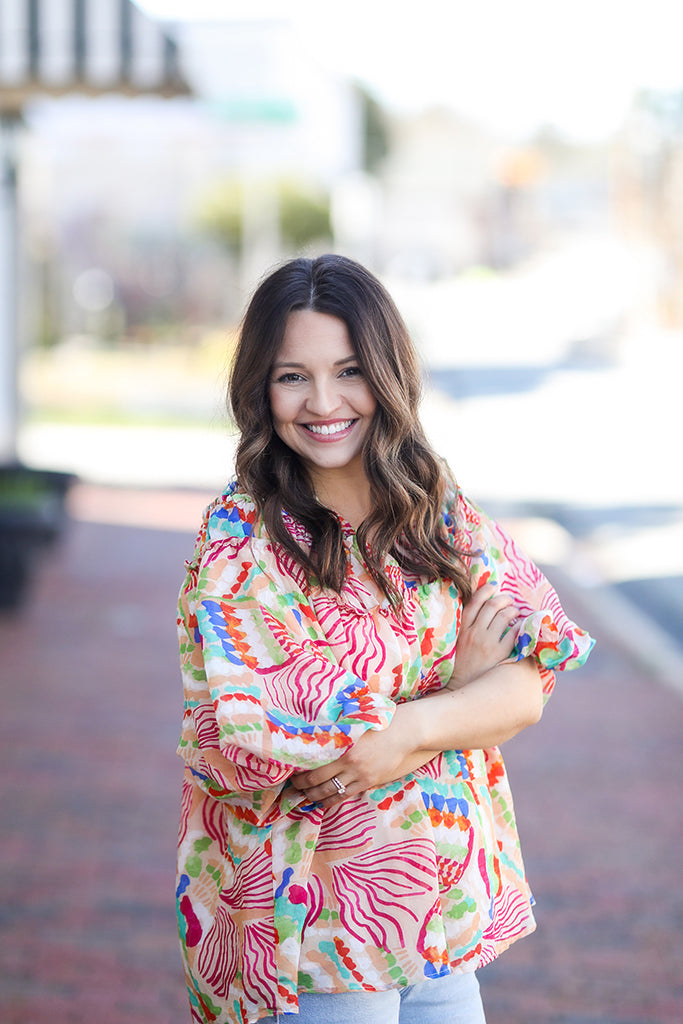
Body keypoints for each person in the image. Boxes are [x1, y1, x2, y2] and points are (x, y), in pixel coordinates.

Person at [176, 254, 594, 1024]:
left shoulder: (437, 511)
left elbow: (532, 680)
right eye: (291, 376)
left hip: (442, 922)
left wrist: (414, 722)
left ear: (387, 374)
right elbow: (298, 749)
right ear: (259, 388)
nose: (323, 402)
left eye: (348, 371)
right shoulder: (243, 538)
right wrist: (463, 690)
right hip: (318, 927)